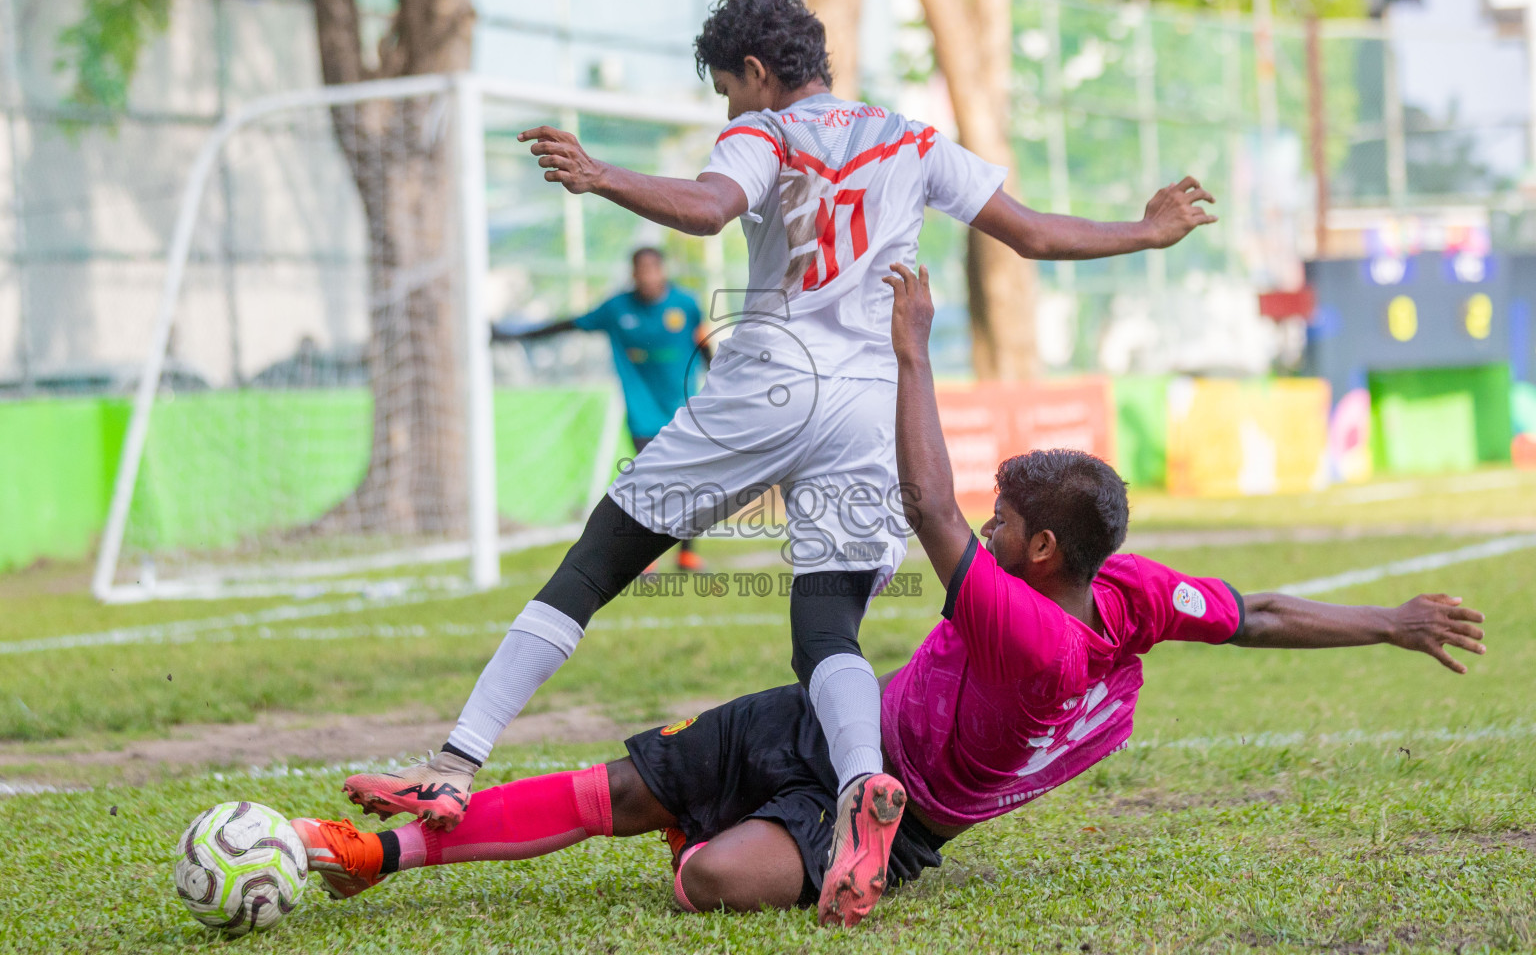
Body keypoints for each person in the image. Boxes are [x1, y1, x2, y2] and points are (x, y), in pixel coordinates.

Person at [343, 0, 1218, 926]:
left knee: (591, 569)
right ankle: (858, 791)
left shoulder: (766, 132)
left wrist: (603, 177)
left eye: (727, 87)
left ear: (757, 73)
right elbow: (1036, 234)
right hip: (865, 404)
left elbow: (709, 207)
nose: (729, 107)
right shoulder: (913, 139)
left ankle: (454, 764)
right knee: (826, 633)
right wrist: (1148, 229)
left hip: (765, 385)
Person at [298, 262, 1489, 922]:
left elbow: (924, 502)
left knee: (703, 880)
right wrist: (1389, 621)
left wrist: (913, 348)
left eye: (1003, 521)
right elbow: (1260, 613)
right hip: (834, 721)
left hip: (898, 814)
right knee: (613, 786)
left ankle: (761, 829)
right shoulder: (1129, 593)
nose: (984, 521)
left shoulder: (1030, 638)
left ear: (1033, 557)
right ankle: (379, 853)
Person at [493, 247, 710, 572]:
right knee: (650, 483)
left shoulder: (686, 304)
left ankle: (687, 554)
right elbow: (570, 324)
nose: (648, 276)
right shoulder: (617, 308)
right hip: (643, 412)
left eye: (654, 269)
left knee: (690, 482)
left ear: (663, 271)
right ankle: (645, 557)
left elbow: (705, 345)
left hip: (683, 407)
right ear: (633, 274)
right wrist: (514, 336)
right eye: (642, 270)